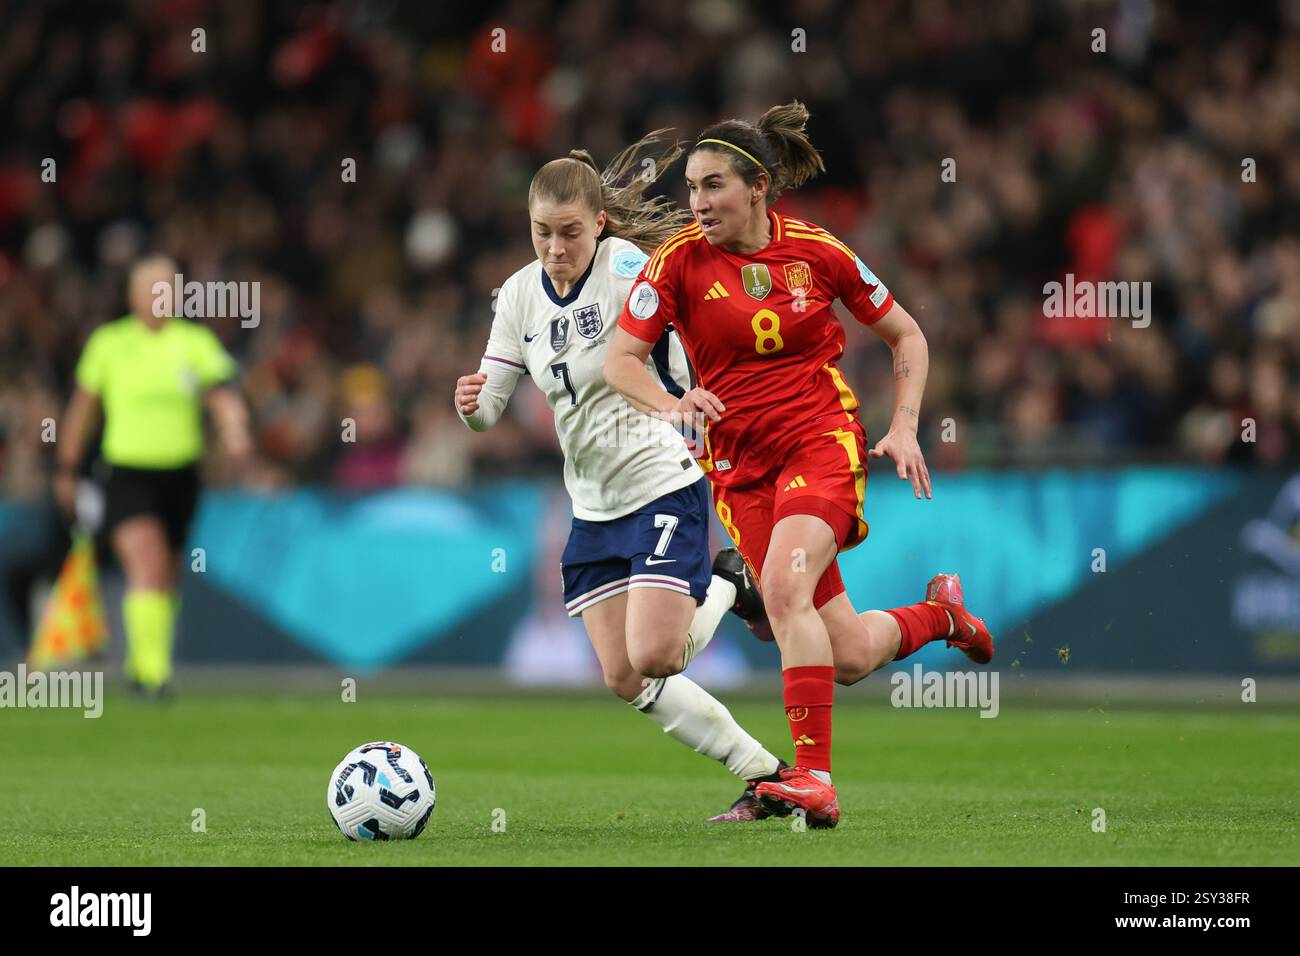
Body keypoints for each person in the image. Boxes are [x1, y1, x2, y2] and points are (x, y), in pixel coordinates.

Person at [605, 102, 995, 828]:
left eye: (714, 185)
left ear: (758, 187)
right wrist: (672, 401)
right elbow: (620, 361)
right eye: (691, 187)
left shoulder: (819, 252)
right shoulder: (677, 262)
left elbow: (907, 336)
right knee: (844, 652)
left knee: (782, 589)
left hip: (821, 441)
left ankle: (814, 779)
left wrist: (905, 426)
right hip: (740, 470)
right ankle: (943, 614)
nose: (698, 203)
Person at [454, 133, 790, 822]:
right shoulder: (517, 295)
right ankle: (764, 773)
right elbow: (489, 408)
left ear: (598, 222)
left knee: (659, 653)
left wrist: (690, 401)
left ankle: (730, 582)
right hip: (592, 504)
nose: (555, 247)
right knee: (624, 676)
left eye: (569, 232)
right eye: (542, 232)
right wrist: (471, 408)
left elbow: (682, 339)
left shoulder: (631, 268)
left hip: (661, 477)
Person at [55, 255, 253, 695]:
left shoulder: (194, 342)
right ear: (133, 296)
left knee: (166, 570)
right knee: (145, 559)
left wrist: (235, 430)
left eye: (169, 288)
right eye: (152, 288)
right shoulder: (109, 343)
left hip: (181, 475)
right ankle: (152, 671)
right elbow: (83, 409)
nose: (161, 297)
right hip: (127, 471)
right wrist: (67, 466)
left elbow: (221, 394)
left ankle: (146, 662)